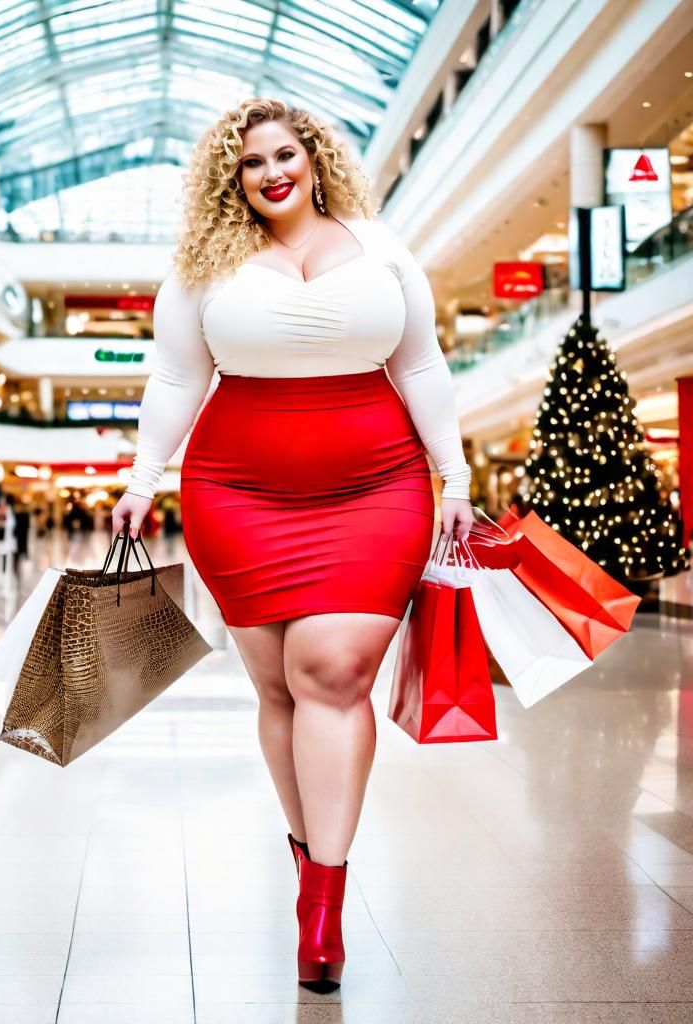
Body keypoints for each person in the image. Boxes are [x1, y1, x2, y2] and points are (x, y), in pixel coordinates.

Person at [111, 98, 474, 993]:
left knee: (332, 671)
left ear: (313, 158)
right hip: (237, 493)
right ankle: (311, 857)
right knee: (278, 687)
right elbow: (176, 377)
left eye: (285, 154)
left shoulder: (383, 250)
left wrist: (454, 475)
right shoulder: (203, 266)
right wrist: (142, 478)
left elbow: (420, 364)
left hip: (378, 486)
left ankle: (324, 904)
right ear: (229, 180)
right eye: (250, 163)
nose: (272, 173)